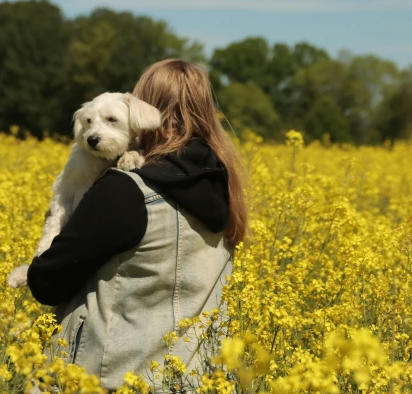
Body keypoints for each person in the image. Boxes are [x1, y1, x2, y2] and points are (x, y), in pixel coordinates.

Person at [27, 59, 249, 390]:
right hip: (194, 381)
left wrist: (58, 214)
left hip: (110, 379)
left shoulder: (126, 190)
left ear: (141, 113)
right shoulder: (224, 189)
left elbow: (46, 282)